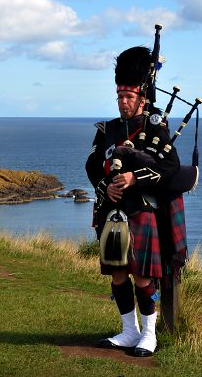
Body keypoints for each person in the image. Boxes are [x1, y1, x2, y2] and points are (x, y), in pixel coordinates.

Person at [85, 46, 181, 357]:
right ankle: (129, 331)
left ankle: (149, 335)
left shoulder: (154, 127)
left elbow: (170, 167)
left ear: (142, 96)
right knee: (117, 272)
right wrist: (104, 187)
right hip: (112, 211)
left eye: (128, 97)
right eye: (119, 97)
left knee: (142, 275)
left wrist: (133, 178)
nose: (123, 103)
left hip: (141, 210)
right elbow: (91, 164)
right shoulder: (109, 129)